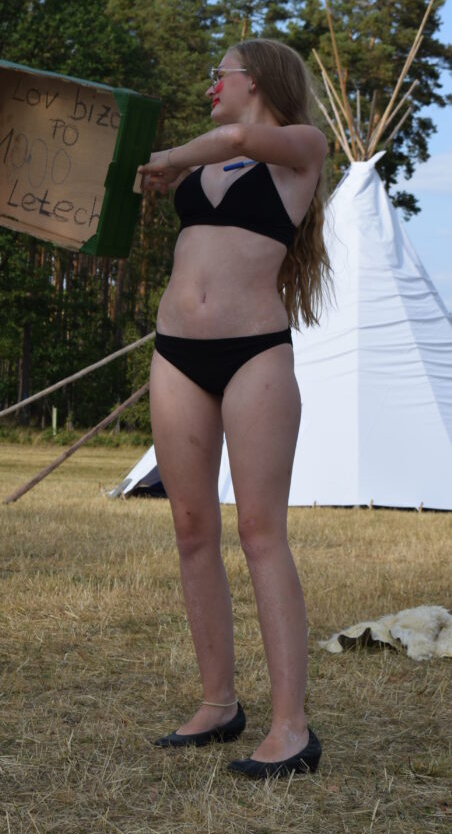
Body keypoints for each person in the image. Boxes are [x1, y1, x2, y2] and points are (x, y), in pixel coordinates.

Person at [136, 39, 329, 778]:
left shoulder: (300, 147)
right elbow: (100, 184)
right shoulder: (197, 166)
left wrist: (172, 156)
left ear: (258, 80)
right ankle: (219, 703)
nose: (211, 84)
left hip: (255, 357)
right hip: (176, 355)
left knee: (259, 531)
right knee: (192, 529)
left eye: (220, 73)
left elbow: (243, 139)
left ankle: (291, 728)